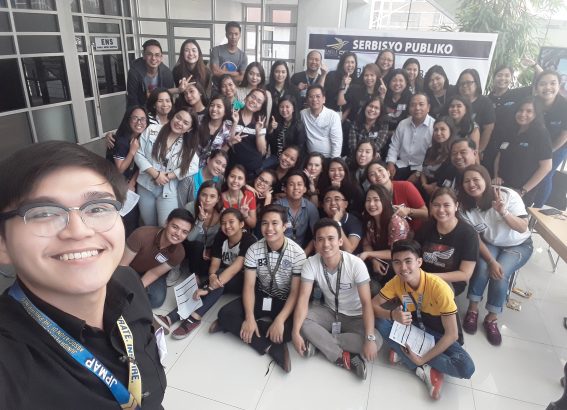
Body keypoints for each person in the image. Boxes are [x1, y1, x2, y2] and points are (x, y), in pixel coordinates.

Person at [0, 141, 166, 409]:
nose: (78, 231)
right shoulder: (10, 365)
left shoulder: (128, 281)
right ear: (3, 245)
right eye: (44, 213)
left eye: (98, 208)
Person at [373, 240, 475, 400]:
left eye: (408, 261)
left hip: (438, 334)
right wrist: (392, 315)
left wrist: (422, 359)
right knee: (379, 321)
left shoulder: (439, 287)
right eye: (397, 262)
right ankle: (423, 366)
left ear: (419, 262)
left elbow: (452, 335)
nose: (403, 268)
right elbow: (372, 305)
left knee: (466, 368)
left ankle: (413, 360)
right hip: (415, 327)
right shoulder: (396, 282)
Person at [212, 204, 307, 373]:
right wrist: (249, 317)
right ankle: (268, 346)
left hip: (284, 300)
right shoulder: (254, 249)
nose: (269, 228)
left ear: (284, 226)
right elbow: (249, 286)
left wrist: (279, 320)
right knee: (225, 313)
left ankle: (235, 326)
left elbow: (295, 293)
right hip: (261, 295)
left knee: (291, 330)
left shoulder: (297, 254)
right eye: (264, 223)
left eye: (275, 223)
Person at [292, 218, 381, 380]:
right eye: (320, 239)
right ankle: (342, 357)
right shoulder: (310, 263)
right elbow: (303, 299)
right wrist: (295, 332)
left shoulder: (355, 264)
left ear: (340, 241)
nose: (326, 244)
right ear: (315, 243)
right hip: (330, 311)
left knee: (377, 340)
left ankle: (320, 343)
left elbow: (366, 304)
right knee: (302, 322)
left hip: (356, 316)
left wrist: (369, 338)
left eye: (331, 238)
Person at [459, 165, 533, 346]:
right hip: (491, 243)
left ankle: (491, 318)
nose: (471, 184)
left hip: (519, 244)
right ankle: (473, 309)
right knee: (483, 267)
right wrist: (491, 260)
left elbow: (523, 227)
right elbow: (476, 239)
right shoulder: (465, 207)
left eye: (476, 179)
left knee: (501, 273)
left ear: (486, 179)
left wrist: (503, 212)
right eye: (466, 181)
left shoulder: (507, 195)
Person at [156, 209, 257, 339]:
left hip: (243, 280)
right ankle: (172, 317)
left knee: (216, 282)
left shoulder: (249, 240)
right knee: (215, 279)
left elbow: (235, 268)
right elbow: (215, 262)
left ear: (241, 224)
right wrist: (212, 276)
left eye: (231, 222)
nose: (227, 226)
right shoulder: (221, 236)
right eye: (223, 223)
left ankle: (194, 317)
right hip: (223, 274)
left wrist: (208, 287)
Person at [135, 107, 200, 227]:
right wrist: (156, 175)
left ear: (189, 129)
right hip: (146, 186)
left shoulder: (187, 146)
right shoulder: (152, 130)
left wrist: (170, 176)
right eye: (178, 117)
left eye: (185, 123)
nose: (179, 123)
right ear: (173, 116)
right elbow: (138, 153)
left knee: (166, 226)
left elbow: (194, 166)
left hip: (168, 190)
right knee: (149, 225)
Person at [120, 208, 193, 308]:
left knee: (156, 299)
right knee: (119, 288)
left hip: (151, 271)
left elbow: (154, 273)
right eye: (175, 227)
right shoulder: (141, 235)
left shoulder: (179, 253)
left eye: (184, 232)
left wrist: (136, 289)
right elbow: (122, 265)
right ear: (166, 223)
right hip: (129, 268)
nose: (178, 234)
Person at [414, 187, 478, 296]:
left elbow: (465, 274)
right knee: (406, 296)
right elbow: (414, 253)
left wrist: (429, 278)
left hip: (449, 281)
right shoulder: (426, 227)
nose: (441, 210)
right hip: (422, 276)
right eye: (436, 205)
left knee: (432, 297)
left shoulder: (468, 234)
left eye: (446, 205)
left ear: (456, 206)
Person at [493, 97, 552, 206]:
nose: (523, 114)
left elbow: (546, 167)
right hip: (501, 187)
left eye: (529, 111)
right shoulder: (511, 130)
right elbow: (499, 155)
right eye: (520, 110)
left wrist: (523, 190)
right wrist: (496, 176)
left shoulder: (541, 134)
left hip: (521, 192)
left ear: (536, 114)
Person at [358, 184, 409, 292]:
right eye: (368, 200)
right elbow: (366, 243)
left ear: (385, 201)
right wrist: (373, 259)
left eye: (376, 200)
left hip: (398, 263)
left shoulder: (396, 222)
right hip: (380, 260)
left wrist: (369, 254)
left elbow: (396, 252)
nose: (371, 204)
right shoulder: (370, 220)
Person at [106, 105, 147, 236]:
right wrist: (132, 151)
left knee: (134, 217)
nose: (139, 122)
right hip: (116, 184)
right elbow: (120, 169)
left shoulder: (143, 138)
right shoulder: (121, 141)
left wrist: (133, 181)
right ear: (128, 120)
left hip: (130, 183)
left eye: (142, 119)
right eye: (135, 118)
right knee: (126, 219)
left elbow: (141, 165)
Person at [533, 70, 567, 207]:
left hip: (558, 146)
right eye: (543, 84)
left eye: (553, 83)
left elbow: (564, 135)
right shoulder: (533, 103)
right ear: (536, 87)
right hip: (535, 144)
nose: (548, 87)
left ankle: (536, 210)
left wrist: (548, 153)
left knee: (545, 174)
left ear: (559, 85)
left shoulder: (564, 106)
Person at [365, 159, 428, 231]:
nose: (378, 175)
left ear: (388, 172)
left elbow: (426, 213)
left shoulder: (406, 186)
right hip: (390, 232)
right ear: (370, 182)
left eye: (380, 170)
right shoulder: (372, 196)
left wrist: (408, 211)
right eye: (372, 174)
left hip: (415, 231)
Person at [386, 92, 434, 182]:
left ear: (428, 107)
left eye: (421, 104)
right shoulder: (403, 124)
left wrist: (418, 173)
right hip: (401, 164)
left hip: (420, 168)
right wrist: (390, 163)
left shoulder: (434, 127)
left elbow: (431, 156)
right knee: (386, 181)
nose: (417, 108)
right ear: (409, 108)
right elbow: (394, 146)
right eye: (413, 105)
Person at [183, 180, 223, 279]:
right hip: (192, 246)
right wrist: (200, 221)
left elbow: (222, 239)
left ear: (218, 199)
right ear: (199, 195)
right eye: (204, 195)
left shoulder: (222, 213)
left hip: (211, 249)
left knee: (208, 269)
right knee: (197, 246)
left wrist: (210, 249)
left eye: (212, 196)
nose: (207, 200)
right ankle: (195, 276)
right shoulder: (190, 208)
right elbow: (189, 238)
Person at [275, 171, 320, 255]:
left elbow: (317, 234)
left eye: (299, 184)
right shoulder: (277, 206)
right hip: (278, 250)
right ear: (285, 189)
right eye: (291, 184)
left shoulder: (310, 207)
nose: (296, 188)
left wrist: (303, 255)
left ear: (305, 189)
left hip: (301, 251)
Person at [228, 89, 268, 179]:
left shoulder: (260, 121)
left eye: (259, 101)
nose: (254, 101)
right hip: (232, 167)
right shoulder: (233, 114)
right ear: (246, 98)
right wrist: (235, 123)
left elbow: (262, 151)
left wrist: (258, 132)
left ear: (260, 107)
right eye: (253, 97)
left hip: (252, 169)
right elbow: (228, 141)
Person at [127, 39, 177, 108]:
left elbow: (168, 98)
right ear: (144, 56)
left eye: (157, 55)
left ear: (161, 57)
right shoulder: (134, 72)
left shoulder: (167, 73)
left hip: (160, 108)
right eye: (149, 54)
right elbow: (132, 99)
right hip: (140, 107)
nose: (153, 58)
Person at [456, 69, 495, 154]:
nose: (464, 86)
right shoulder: (455, 101)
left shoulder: (485, 102)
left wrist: (479, 150)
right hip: (455, 148)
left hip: (474, 149)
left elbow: (488, 129)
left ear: (476, 84)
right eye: (462, 83)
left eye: (468, 83)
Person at [419, 116, 456, 200]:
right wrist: (424, 185)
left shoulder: (453, 154)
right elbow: (423, 170)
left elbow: (447, 180)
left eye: (443, 129)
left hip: (440, 193)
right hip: (423, 186)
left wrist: (432, 187)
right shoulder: (430, 150)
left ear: (450, 131)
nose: (438, 133)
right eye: (436, 130)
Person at [301, 85, 343, 158]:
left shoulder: (333, 116)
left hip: (328, 158)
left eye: (318, 96)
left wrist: (333, 161)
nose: (314, 99)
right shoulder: (303, 114)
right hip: (310, 157)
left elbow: (337, 142)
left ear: (324, 99)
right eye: (311, 97)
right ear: (307, 100)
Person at [196, 95, 238, 166]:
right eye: (212, 105)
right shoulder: (199, 120)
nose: (214, 109)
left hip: (209, 168)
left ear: (225, 111)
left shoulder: (227, 127)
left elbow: (223, 151)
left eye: (219, 106)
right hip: (190, 163)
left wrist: (235, 122)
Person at [321, 187, 364, 253]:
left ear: (345, 204)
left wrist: (336, 222)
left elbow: (349, 250)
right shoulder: (322, 223)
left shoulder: (354, 221)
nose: (333, 203)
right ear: (323, 206)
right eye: (328, 200)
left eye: (337, 199)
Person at [266, 95, 306, 165]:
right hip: (275, 157)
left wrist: (288, 158)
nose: (284, 110)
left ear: (293, 109)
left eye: (287, 107)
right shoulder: (276, 122)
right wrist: (271, 129)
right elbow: (269, 141)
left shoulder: (298, 125)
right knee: (260, 168)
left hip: (289, 159)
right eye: (281, 107)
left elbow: (299, 147)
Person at [221, 164, 257, 229]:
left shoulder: (249, 196)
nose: (235, 181)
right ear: (226, 178)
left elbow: (253, 224)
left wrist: (245, 215)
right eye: (232, 176)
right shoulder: (220, 198)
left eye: (240, 178)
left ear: (244, 182)